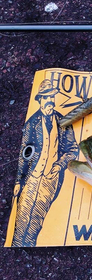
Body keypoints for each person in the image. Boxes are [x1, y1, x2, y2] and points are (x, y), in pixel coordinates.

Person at [11, 79, 79, 247]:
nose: (49, 102)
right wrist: (19, 180)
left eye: (51, 98)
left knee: (36, 220)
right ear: (40, 100)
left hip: (50, 179)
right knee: (22, 218)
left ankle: (29, 249)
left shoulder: (63, 122)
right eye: (46, 98)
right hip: (31, 178)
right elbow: (24, 154)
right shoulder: (32, 124)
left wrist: (59, 165)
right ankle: (18, 246)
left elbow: (72, 150)